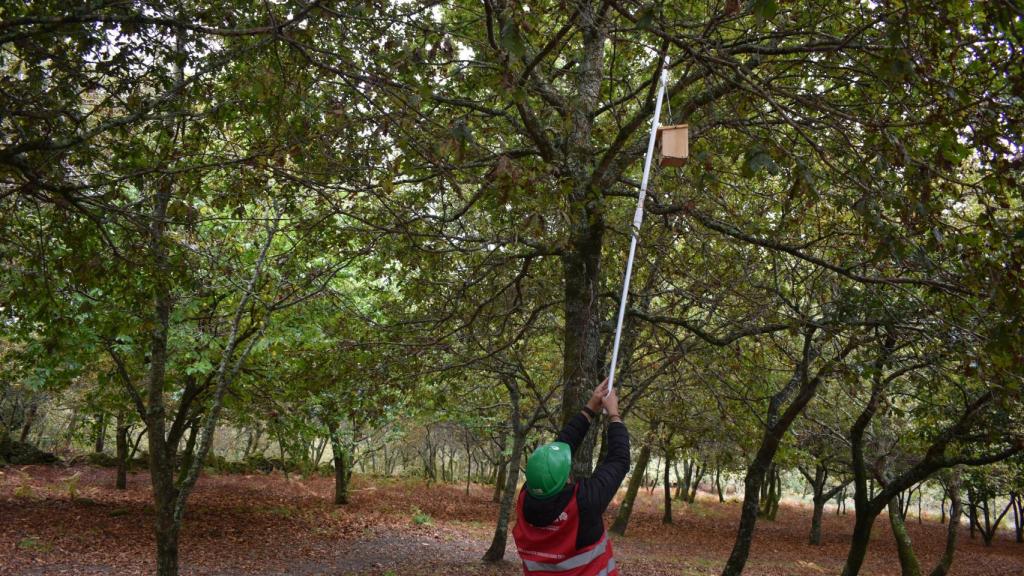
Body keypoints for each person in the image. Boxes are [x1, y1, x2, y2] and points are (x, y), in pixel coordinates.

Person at [512, 379, 630, 576]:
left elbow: (557, 452)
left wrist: (590, 407)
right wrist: (614, 414)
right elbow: (619, 460)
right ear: (565, 479)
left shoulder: (526, 498)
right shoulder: (583, 503)